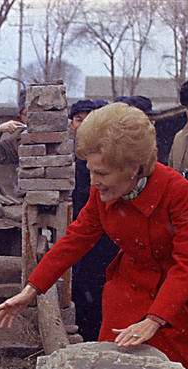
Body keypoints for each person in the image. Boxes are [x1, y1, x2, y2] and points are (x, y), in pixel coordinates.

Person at [0, 102, 188, 369]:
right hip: (130, 287)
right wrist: (32, 288)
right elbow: (77, 237)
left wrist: (155, 319)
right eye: (91, 171)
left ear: (134, 168)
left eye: (102, 173)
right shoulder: (102, 190)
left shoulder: (177, 190)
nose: (93, 181)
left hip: (180, 293)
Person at [70, 99, 118, 341]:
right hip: (88, 237)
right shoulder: (75, 159)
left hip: (113, 243)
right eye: (80, 119)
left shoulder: (117, 157)